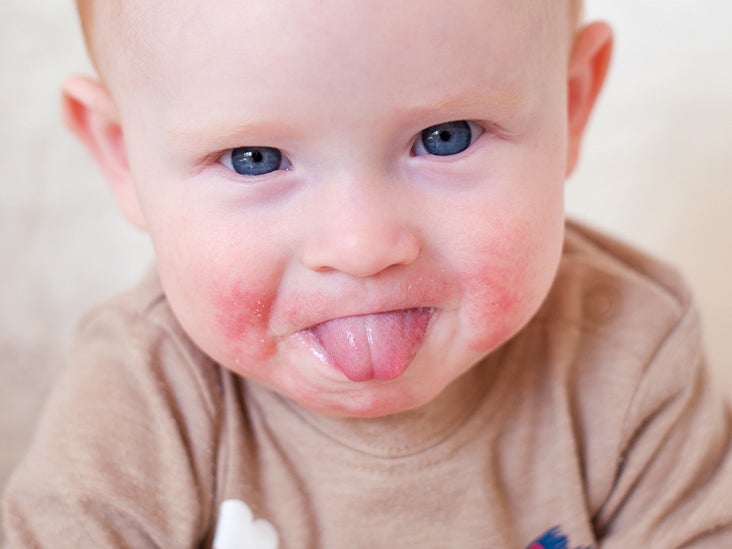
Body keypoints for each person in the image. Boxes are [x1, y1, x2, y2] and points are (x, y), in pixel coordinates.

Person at [3, 0, 731, 547]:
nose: (361, 246)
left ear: (571, 105)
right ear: (122, 154)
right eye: (255, 158)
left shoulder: (629, 350)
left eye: (444, 140)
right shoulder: (145, 393)